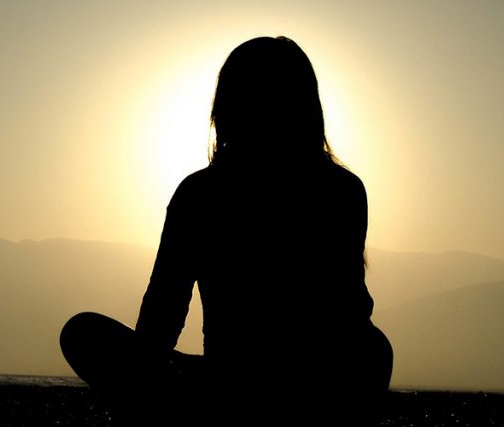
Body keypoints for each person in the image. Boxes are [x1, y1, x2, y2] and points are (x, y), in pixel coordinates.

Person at [60, 36, 392, 426]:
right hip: (313, 385)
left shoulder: (200, 193)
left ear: (226, 108)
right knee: (373, 347)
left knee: (82, 333)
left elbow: (161, 317)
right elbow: (350, 310)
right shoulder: (342, 189)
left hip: (236, 386)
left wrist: (144, 382)